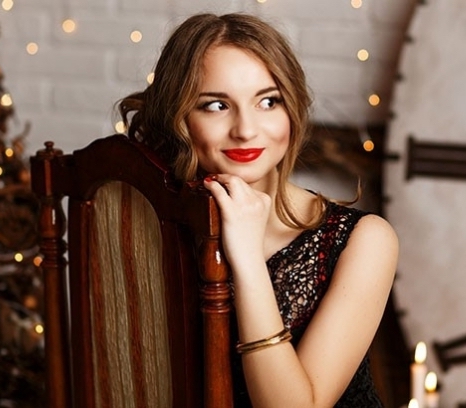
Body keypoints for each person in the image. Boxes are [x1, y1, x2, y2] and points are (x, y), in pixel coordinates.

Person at [118, 13, 398, 407]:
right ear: (180, 119)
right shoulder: (147, 224)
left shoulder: (364, 240)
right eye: (216, 105)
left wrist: (247, 258)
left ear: (292, 109)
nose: (246, 129)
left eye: (268, 101)